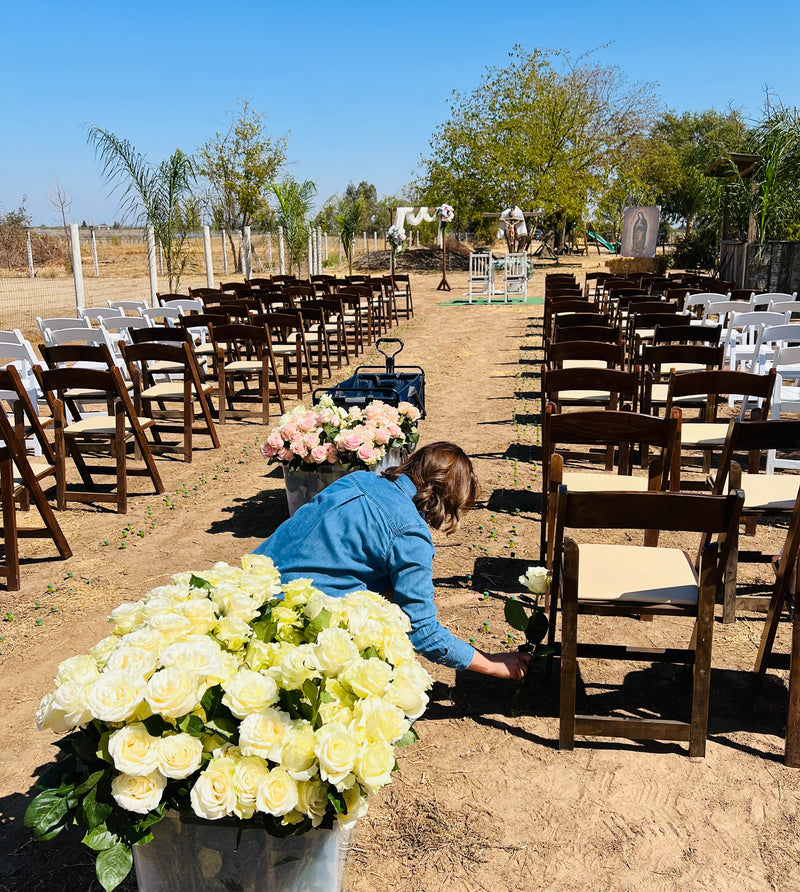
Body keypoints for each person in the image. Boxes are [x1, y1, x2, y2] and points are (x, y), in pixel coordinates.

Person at [254, 442, 530, 680]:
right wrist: (493, 664)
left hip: (253, 582)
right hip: (288, 618)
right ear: (446, 497)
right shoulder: (410, 532)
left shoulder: (358, 479)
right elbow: (422, 630)